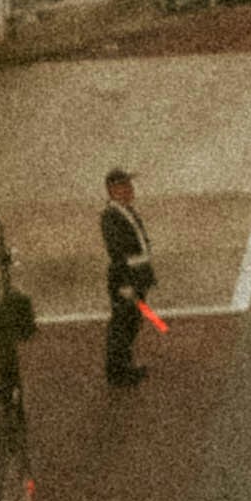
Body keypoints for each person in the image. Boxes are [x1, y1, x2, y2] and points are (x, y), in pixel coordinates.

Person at [100, 165, 157, 389]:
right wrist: (125, 284)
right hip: (126, 279)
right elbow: (117, 253)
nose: (130, 189)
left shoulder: (126, 211)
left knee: (132, 322)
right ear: (113, 190)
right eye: (124, 186)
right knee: (123, 324)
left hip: (137, 277)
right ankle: (117, 372)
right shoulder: (111, 216)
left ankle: (125, 367)